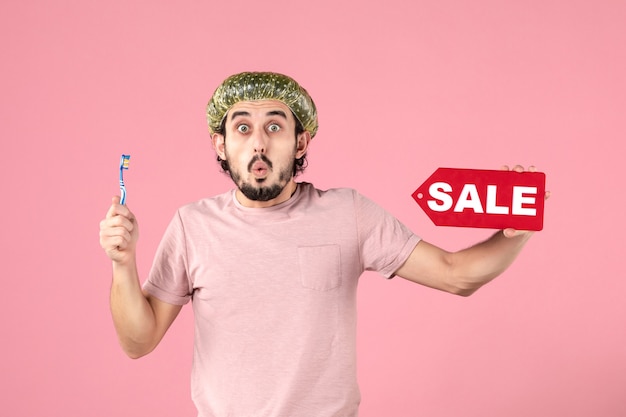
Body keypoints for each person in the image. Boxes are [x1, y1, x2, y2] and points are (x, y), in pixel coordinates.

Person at [99, 72, 547, 417]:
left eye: (275, 126)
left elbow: (456, 275)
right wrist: (123, 263)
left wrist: (516, 232)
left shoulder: (347, 213)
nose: (258, 143)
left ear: (301, 141)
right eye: (242, 128)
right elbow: (138, 342)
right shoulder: (192, 225)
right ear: (221, 144)